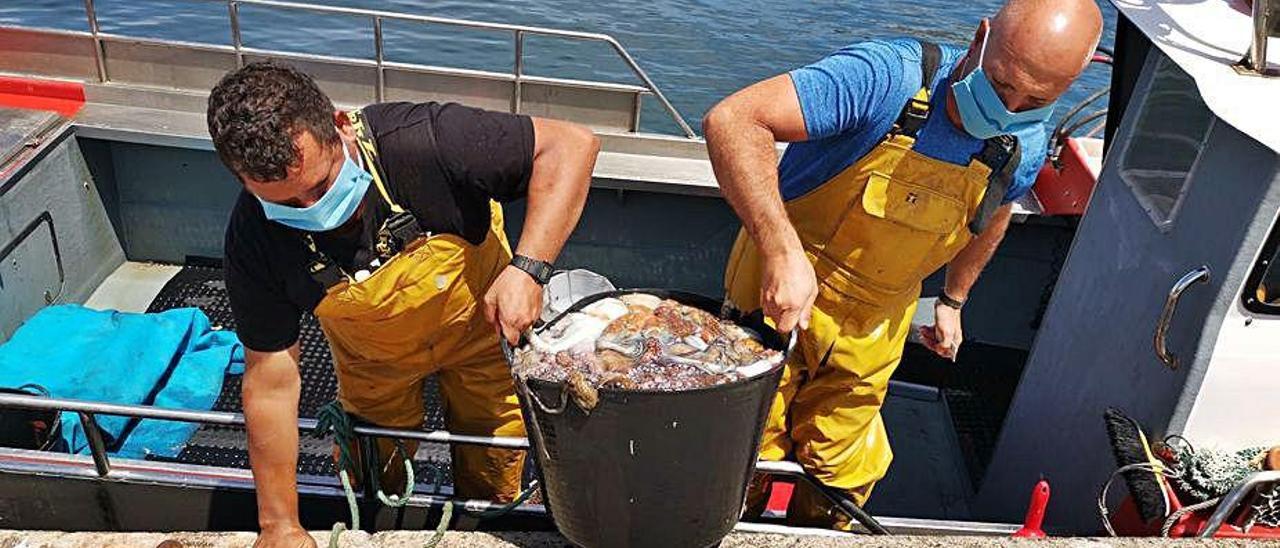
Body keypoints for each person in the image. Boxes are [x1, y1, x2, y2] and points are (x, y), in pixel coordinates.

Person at [703, 0, 1103, 529]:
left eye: (1037, 99)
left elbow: (996, 212)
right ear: (982, 37)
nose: (1011, 106)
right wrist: (780, 248)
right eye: (1003, 84)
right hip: (780, 288)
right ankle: (732, 526)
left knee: (843, 467)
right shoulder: (885, 78)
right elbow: (734, 120)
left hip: (877, 319)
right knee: (748, 445)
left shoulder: (1023, 141)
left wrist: (954, 299)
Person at [206, 61, 598, 547]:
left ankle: (490, 522)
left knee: (496, 447)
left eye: (321, 186)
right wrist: (279, 524)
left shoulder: (424, 141)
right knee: (375, 465)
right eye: (286, 205)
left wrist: (528, 268)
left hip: (482, 329)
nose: (313, 213)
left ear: (341, 124)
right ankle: (380, 517)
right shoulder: (254, 241)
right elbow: (270, 380)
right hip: (374, 362)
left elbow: (571, 145)